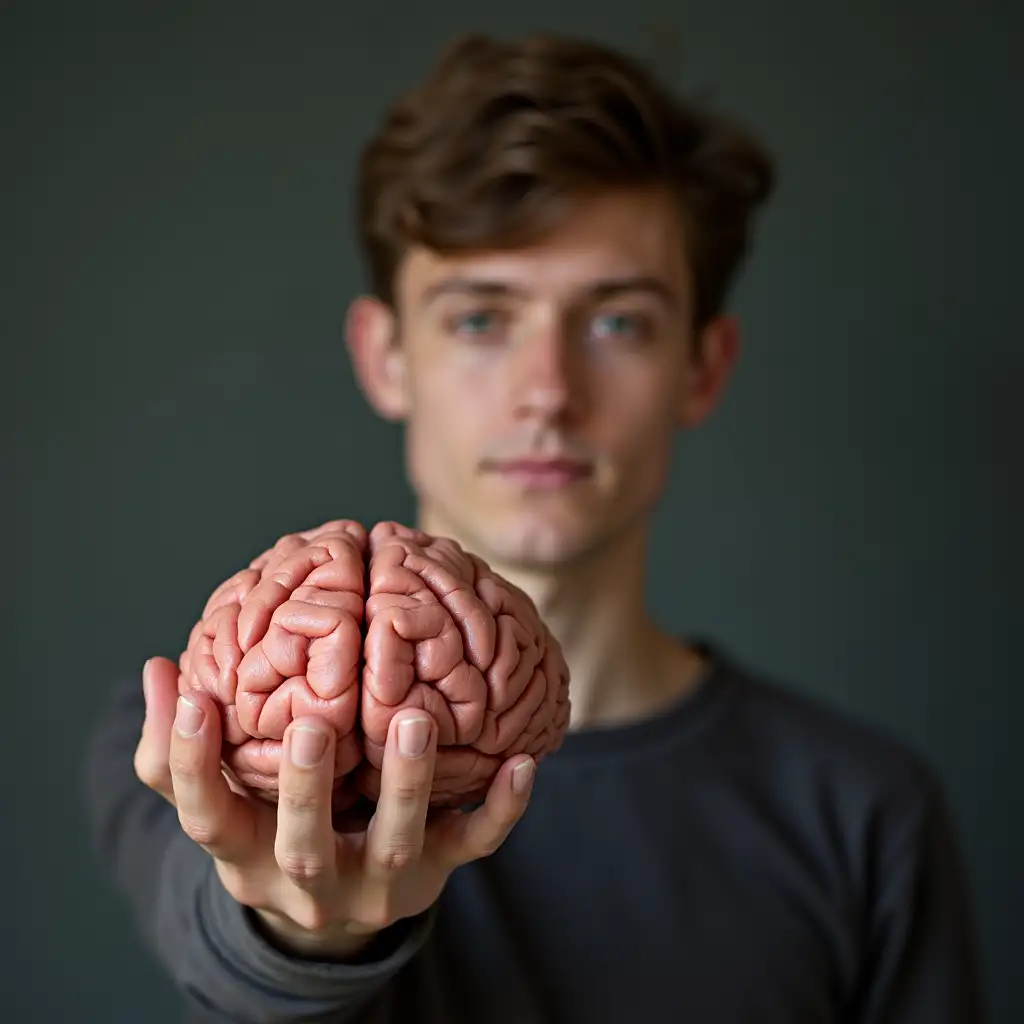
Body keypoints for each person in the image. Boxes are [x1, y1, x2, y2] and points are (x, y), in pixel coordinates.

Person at [85, 31, 985, 1023]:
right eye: (480, 318)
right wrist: (305, 929)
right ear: (385, 357)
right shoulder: (182, 738)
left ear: (703, 365)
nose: (547, 392)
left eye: (617, 322)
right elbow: (217, 943)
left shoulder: (858, 811)